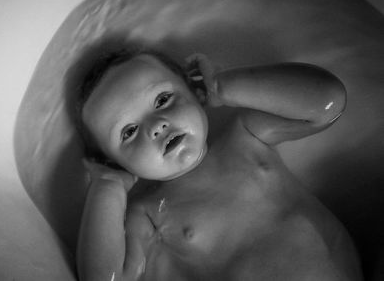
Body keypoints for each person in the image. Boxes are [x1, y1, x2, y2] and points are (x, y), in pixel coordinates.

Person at [75, 48, 362, 280]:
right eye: (128, 132)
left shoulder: (247, 137)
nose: (156, 126)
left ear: (194, 93)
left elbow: (328, 102)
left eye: (162, 99)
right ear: (116, 163)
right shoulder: (148, 214)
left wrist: (222, 86)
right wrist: (108, 186)